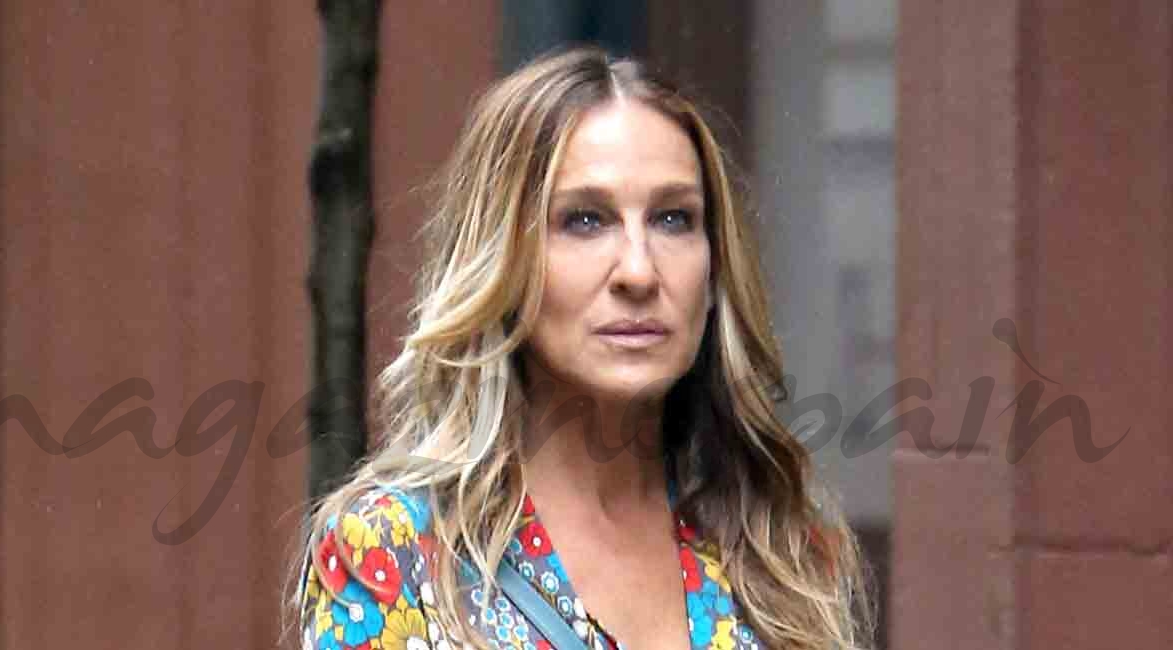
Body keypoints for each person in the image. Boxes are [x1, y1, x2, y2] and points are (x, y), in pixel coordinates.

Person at [293, 46, 868, 650]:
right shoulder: (395, 552)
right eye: (585, 220)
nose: (639, 272)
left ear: (715, 264)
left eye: (673, 219)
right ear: (502, 259)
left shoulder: (783, 552)